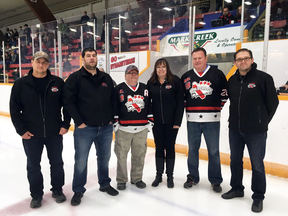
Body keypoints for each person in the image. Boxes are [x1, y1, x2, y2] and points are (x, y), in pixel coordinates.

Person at [9, 51, 70, 208]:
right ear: (33, 62)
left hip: (54, 133)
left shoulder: (57, 83)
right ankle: (36, 195)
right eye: (38, 62)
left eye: (44, 62)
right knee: (33, 165)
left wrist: (65, 124)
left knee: (57, 163)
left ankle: (57, 190)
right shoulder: (21, 84)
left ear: (48, 64)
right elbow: (14, 109)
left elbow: (67, 106)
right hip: (31, 134)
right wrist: (21, 130)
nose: (41, 65)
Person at [221, 48, 279, 213]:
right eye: (239, 59)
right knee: (235, 161)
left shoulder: (263, 78)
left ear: (252, 60)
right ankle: (237, 188)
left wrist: (262, 122)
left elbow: (273, 103)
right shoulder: (231, 80)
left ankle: (258, 197)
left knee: (257, 165)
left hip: (256, 132)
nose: (242, 62)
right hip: (235, 130)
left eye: (246, 58)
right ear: (235, 63)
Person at [64, 47, 118, 206]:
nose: (92, 58)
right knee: (81, 161)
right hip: (84, 129)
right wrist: (79, 122)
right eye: (88, 56)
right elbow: (68, 102)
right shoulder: (75, 78)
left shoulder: (106, 78)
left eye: (94, 55)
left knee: (104, 158)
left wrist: (111, 118)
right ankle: (78, 189)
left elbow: (114, 99)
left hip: (105, 128)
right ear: (83, 59)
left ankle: (105, 183)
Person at [181, 47, 228, 193]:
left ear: (206, 58)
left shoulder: (217, 74)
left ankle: (215, 180)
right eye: (194, 58)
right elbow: (183, 98)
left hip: (212, 120)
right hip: (192, 120)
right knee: (192, 150)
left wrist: (215, 109)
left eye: (200, 58)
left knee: (213, 151)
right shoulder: (186, 76)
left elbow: (224, 94)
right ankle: (193, 177)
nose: (197, 61)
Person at [113, 65, 153, 191]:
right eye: (130, 73)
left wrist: (150, 122)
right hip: (124, 129)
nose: (133, 75)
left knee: (139, 155)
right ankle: (121, 180)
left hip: (141, 129)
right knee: (121, 156)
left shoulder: (145, 89)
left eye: (135, 73)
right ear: (125, 75)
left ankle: (137, 178)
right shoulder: (119, 88)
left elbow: (150, 106)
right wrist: (116, 124)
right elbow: (114, 106)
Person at [147, 58, 184, 188]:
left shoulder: (175, 81)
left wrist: (177, 121)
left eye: (163, 66)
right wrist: (150, 120)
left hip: (171, 123)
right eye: (158, 67)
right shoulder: (151, 83)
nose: (160, 69)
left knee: (170, 148)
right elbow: (148, 104)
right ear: (155, 69)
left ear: (167, 68)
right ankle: (158, 175)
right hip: (157, 123)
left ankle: (169, 176)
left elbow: (180, 102)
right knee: (158, 148)